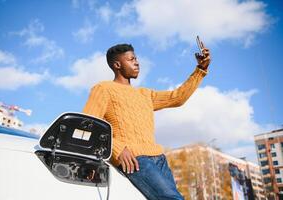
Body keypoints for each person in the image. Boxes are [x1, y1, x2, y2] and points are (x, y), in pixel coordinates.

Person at [83, 43, 211, 200]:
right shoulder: (103, 88)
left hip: (160, 160)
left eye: (136, 58)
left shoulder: (145, 94)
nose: (137, 62)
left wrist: (200, 70)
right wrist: (117, 149)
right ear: (117, 65)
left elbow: (178, 97)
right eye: (131, 59)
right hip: (135, 160)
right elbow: (87, 125)